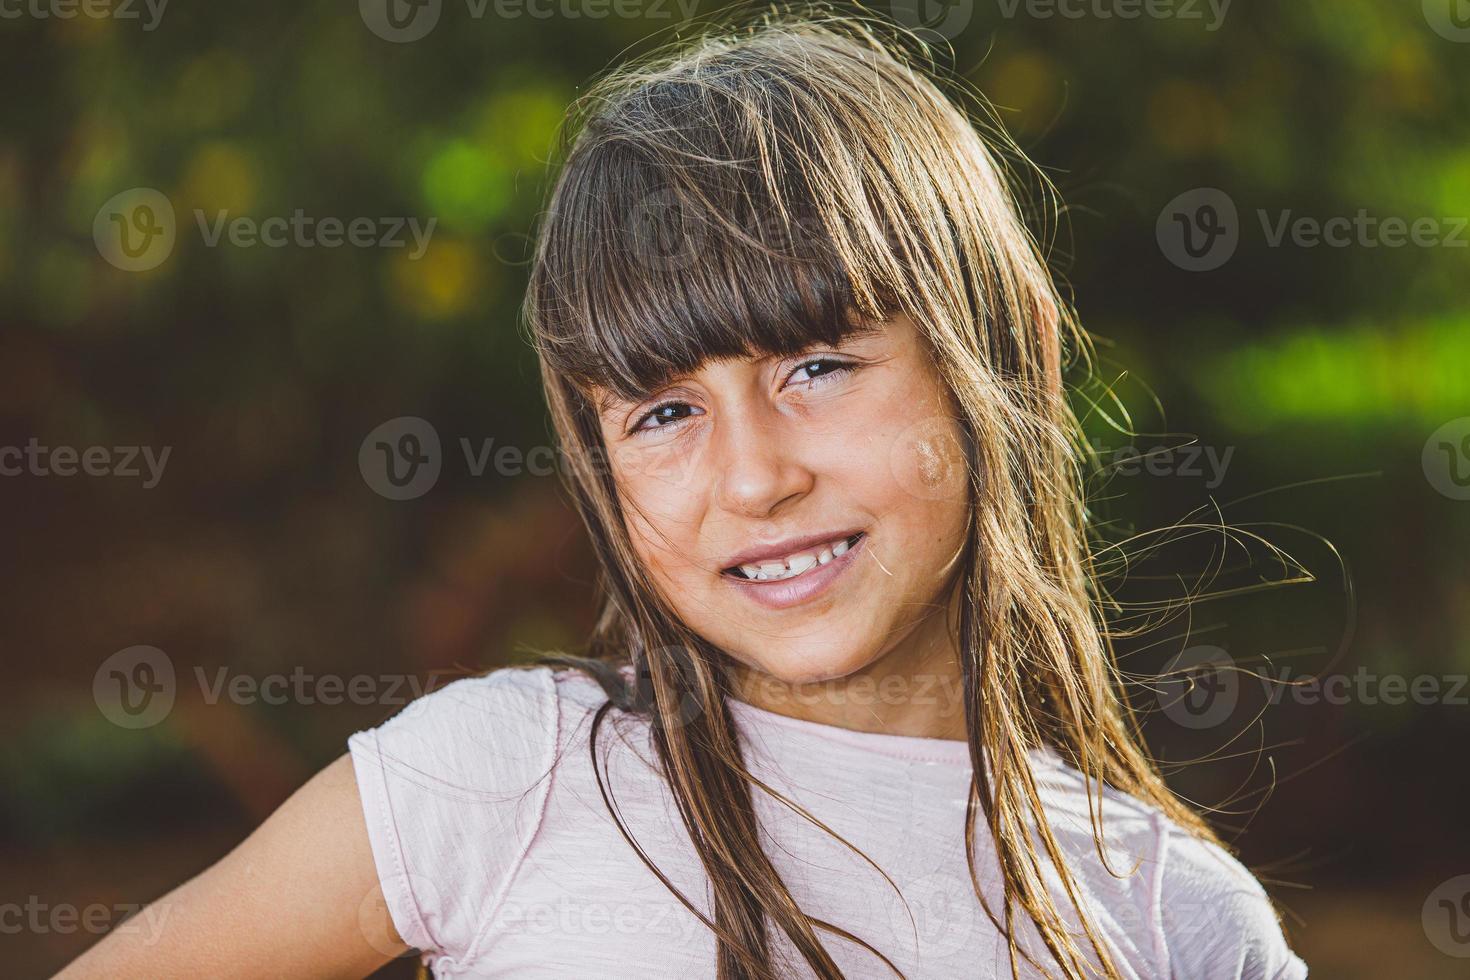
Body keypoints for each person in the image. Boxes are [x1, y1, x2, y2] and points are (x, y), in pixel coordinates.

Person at [58, 11, 1308, 979]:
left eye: (818, 366)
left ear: (1015, 351)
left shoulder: (1175, 914)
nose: (757, 476)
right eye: (662, 412)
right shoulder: (504, 780)